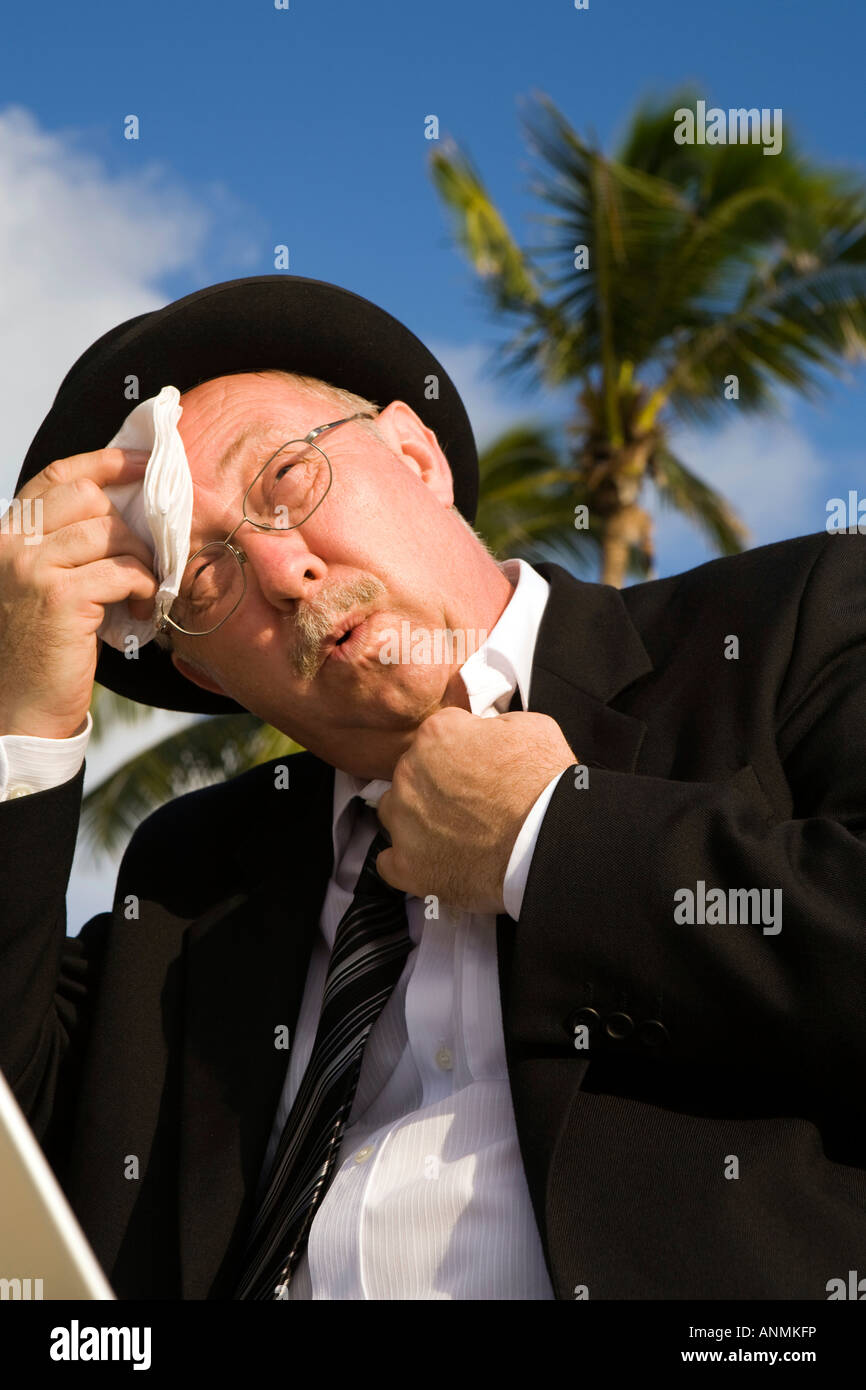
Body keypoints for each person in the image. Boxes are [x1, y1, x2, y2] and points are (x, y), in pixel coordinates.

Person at [1, 275, 864, 1301]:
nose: (281, 570)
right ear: (201, 670)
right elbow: (23, 1176)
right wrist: (24, 724)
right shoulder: (191, 879)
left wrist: (547, 838)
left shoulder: (788, 627)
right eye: (207, 574)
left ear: (415, 457)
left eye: (286, 477)